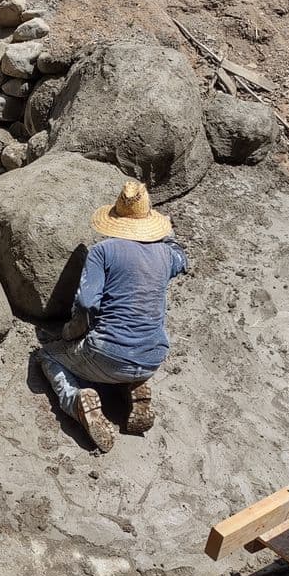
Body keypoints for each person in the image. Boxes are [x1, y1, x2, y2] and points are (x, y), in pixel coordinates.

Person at [38, 180, 188, 452]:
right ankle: (132, 389)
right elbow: (182, 259)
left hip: (107, 354)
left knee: (48, 357)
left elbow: (85, 304)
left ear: (116, 218)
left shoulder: (102, 252)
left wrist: (69, 335)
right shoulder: (166, 254)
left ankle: (77, 401)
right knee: (121, 362)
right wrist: (168, 234)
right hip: (152, 357)